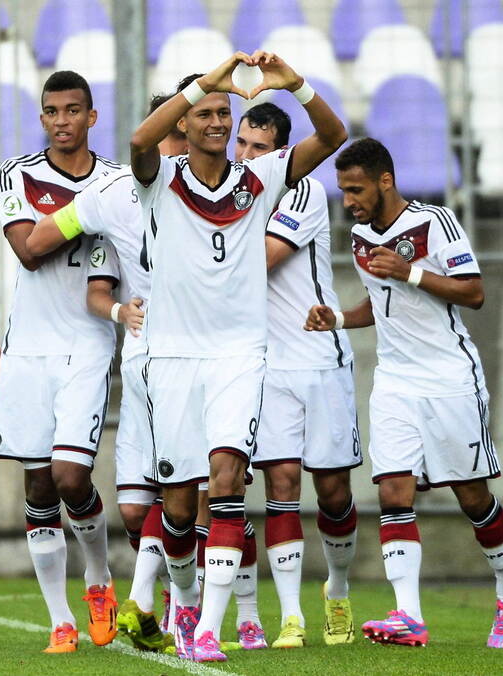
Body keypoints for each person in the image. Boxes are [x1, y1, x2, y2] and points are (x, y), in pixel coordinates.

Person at [129, 51, 347, 662]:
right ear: (187, 122)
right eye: (206, 113)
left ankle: (206, 631)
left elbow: (334, 136)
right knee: (176, 509)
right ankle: (184, 596)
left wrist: (296, 85)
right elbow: (139, 137)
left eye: (225, 111)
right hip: (171, 358)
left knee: (226, 480)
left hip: (239, 355)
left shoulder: (261, 176)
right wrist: (206, 81)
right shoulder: (160, 180)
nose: (219, 122)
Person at [306, 137, 503, 649]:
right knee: (392, 491)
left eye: (356, 189)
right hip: (396, 380)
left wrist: (410, 270)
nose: (349, 202)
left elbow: (473, 292)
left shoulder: (435, 223)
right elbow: (380, 302)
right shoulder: (361, 235)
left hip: (449, 376)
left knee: (472, 497)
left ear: (386, 181)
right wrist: (338, 318)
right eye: (343, 191)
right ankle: (408, 614)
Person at [27, 93, 195, 654]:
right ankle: (152, 598)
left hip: (206, 359)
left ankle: (183, 607)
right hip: (143, 362)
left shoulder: (220, 196)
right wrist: (121, 309)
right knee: (133, 505)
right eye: (164, 132)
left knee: (201, 489)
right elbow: (49, 253)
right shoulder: (116, 193)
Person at [0, 70, 121, 654]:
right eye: (51, 112)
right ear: (42, 119)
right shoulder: (16, 174)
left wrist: (69, 217)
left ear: (92, 118)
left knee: (72, 477)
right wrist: (89, 213)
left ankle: (99, 578)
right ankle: (60, 619)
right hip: (29, 349)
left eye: (73, 110)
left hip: (89, 343)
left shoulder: (116, 179)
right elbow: (27, 250)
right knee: (39, 485)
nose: (62, 121)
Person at [234, 103, 360, 649]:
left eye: (258, 148)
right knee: (280, 485)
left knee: (332, 494)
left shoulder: (302, 190)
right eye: (241, 143)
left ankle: (337, 588)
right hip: (269, 365)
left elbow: (260, 259)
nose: (245, 156)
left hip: (318, 357)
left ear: (284, 153)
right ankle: (291, 617)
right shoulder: (233, 196)